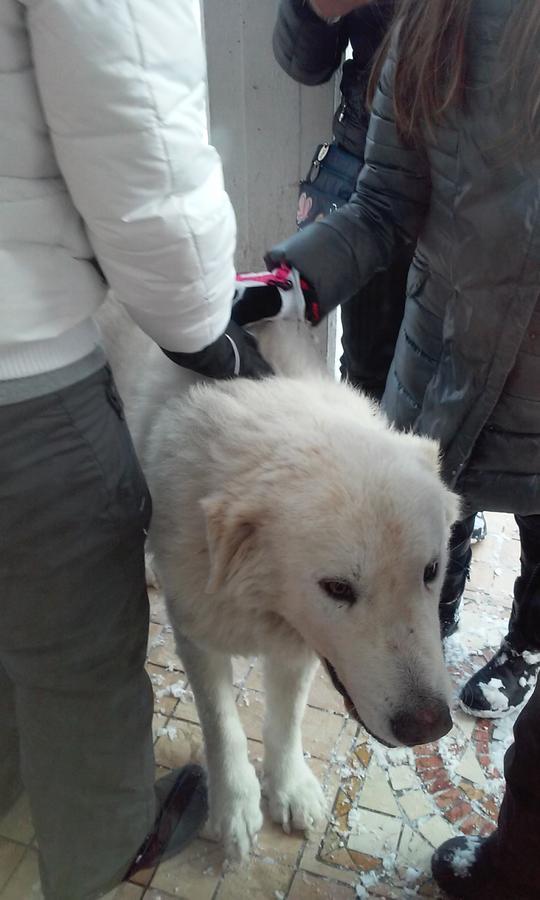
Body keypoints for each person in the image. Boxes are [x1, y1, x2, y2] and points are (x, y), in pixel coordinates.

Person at [233, 0, 540, 894]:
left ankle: (523, 657)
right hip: (438, 382)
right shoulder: (439, 18)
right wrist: (286, 282)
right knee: (416, 550)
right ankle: (513, 854)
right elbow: (384, 201)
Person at [0, 1, 270, 898]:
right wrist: (210, 336)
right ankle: (108, 849)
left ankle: (5, 782)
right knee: (74, 655)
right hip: (22, 369)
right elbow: (141, 147)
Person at [273, 0, 408, 402]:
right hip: (374, 173)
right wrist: (314, 9)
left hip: (489, 187)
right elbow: (305, 63)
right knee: (368, 376)